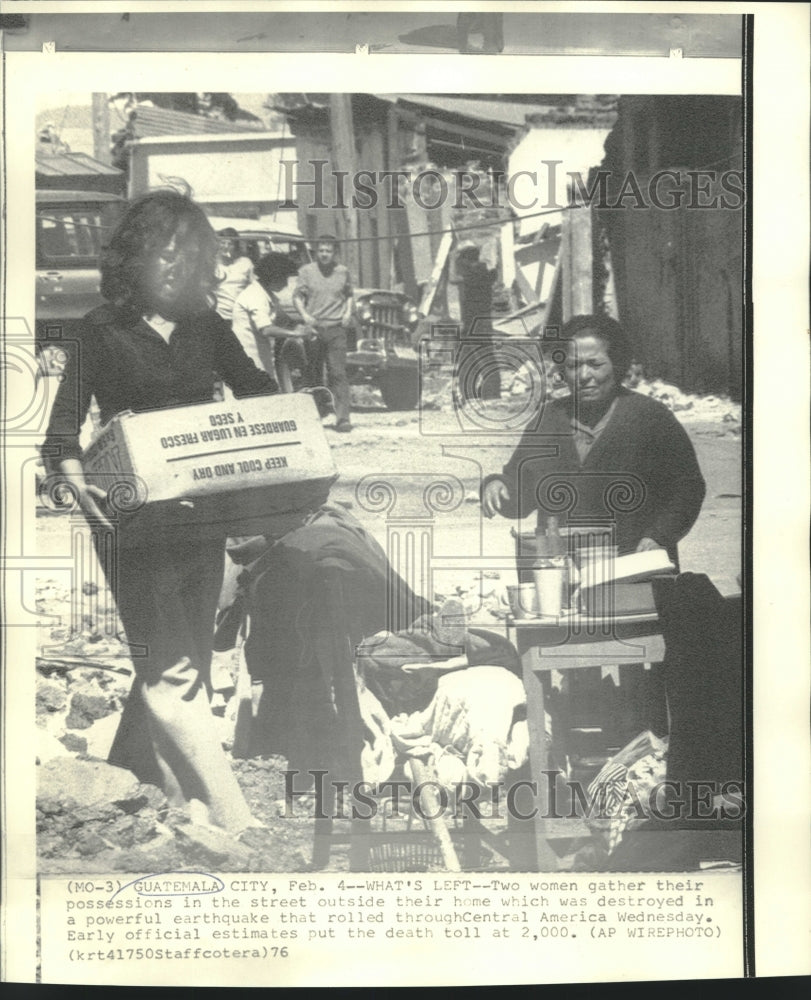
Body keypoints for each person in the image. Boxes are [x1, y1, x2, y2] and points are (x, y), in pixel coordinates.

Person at [42, 189, 279, 835]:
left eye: (187, 252)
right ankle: (236, 816)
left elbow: (259, 393)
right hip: (128, 520)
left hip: (199, 515)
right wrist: (75, 482)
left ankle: (176, 802)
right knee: (168, 667)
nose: (174, 264)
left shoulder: (206, 324)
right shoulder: (101, 328)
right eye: (162, 251)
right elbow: (62, 431)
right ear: (136, 256)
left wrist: (285, 420)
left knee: (193, 663)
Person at [481, 314, 706, 566]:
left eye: (595, 364)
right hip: (561, 569)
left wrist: (659, 536)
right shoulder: (549, 419)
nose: (584, 375)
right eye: (574, 365)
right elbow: (522, 498)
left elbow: (687, 489)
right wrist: (498, 486)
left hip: (636, 566)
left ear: (617, 364)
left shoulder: (650, 418)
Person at [293, 235, 354, 432]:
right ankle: (315, 416)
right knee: (314, 372)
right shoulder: (306, 272)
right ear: (316, 252)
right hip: (315, 329)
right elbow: (297, 297)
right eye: (321, 251)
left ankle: (342, 418)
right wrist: (305, 316)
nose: (324, 255)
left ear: (334, 253)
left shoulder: (343, 272)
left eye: (328, 251)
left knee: (337, 372)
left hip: (336, 328)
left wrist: (347, 313)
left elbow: (350, 295)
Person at [231, 251, 302, 384]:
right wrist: (296, 333)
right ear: (273, 277)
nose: (286, 285)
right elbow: (266, 329)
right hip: (247, 365)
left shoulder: (267, 294)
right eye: (284, 279)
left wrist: (299, 325)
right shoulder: (255, 295)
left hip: (261, 362)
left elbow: (282, 318)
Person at [213, 227, 254, 322]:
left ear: (235, 246)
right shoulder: (211, 264)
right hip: (216, 315)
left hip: (239, 316)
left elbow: (254, 287)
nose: (226, 246)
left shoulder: (245, 263)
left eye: (230, 244)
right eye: (223, 242)